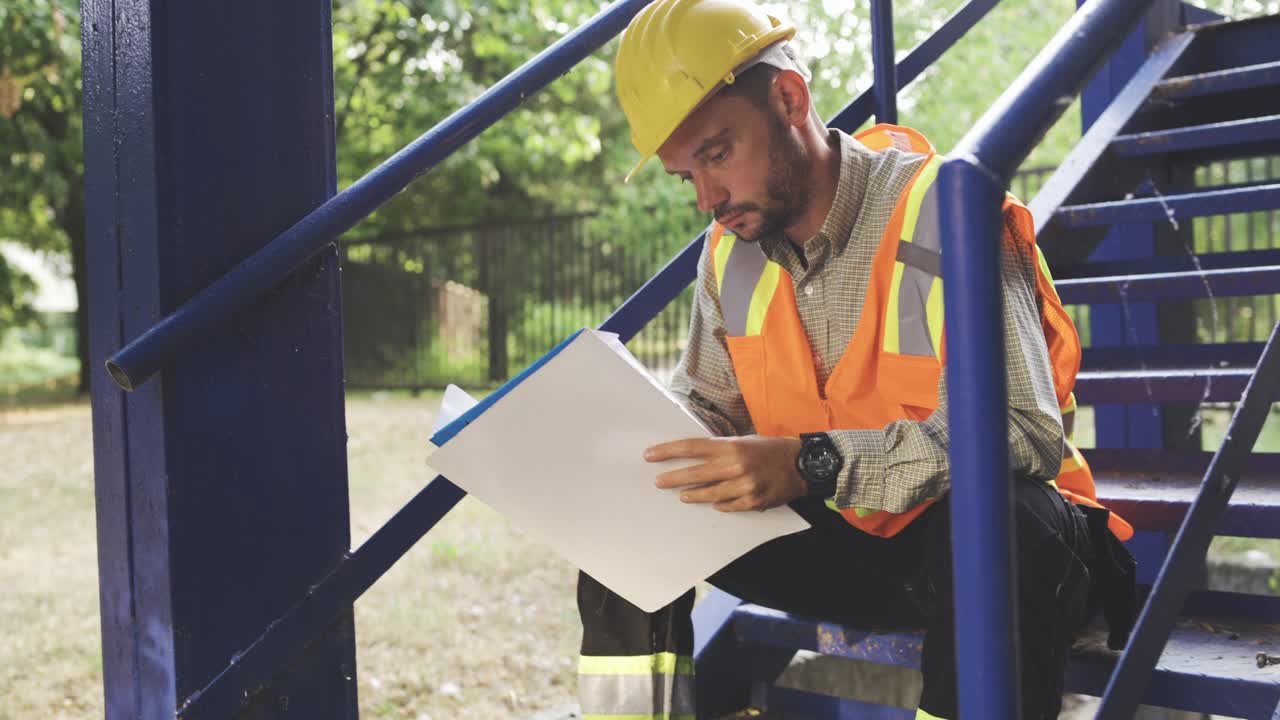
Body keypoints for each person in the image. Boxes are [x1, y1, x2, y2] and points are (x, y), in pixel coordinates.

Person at [577, 1, 1138, 718]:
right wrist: (623, 447)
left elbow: (1025, 434)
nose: (707, 199)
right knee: (624, 514)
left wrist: (809, 463)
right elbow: (709, 410)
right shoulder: (730, 253)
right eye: (686, 176)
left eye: (717, 154)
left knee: (1005, 520)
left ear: (789, 99)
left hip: (1007, 550)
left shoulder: (948, 209)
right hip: (857, 542)